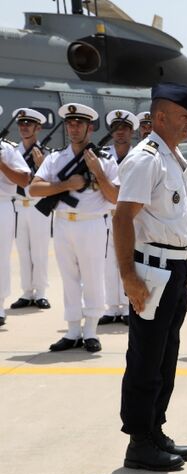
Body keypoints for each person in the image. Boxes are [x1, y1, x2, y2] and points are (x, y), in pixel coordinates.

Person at [115, 82, 187, 471]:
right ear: (161, 117)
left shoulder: (174, 158)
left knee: (166, 356)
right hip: (152, 269)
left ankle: (155, 430)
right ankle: (138, 441)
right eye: (183, 116)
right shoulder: (146, 158)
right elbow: (122, 218)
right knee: (146, 357)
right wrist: (128, 276)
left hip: (177, 267)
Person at [30, 103, 119, 352]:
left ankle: (90, 330)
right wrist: (66, 184)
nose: (74, 128)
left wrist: (98, 174)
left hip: (91, 224)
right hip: (62, 224)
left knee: (92, 277)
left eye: (79, 123)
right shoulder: (57, 158)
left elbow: (115, 197)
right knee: (69, 278)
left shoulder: (105, 160)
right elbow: (35, 189)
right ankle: (72, 330)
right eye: (70, 123)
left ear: (90, 127)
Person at [9, 108, 52, 311]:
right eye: (21, 124)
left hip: (38, 206)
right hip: (18, 205)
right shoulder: (12, 151)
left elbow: (54, 182)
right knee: (23, 252)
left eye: (29, 124)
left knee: (40, 252)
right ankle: (26, 292)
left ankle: (41, 293)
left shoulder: (47, 154)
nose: (24, 127)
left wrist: (41, 165)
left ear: (38, 128)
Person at [100, 109, 140, 326]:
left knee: (129, 260)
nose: (120, 133)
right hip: (108, 214)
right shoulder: (102, 155)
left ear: (131, 131)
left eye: (124, 128)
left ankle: (127, 307)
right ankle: (112, 307)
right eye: (116, 129)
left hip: (132, 216)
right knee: (108, 262)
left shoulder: (139, 155)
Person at [0, 106, 32, 326]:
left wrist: (1, 163)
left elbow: (23, 180)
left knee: (0, 258)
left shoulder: (7, 149)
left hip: (1, 204)